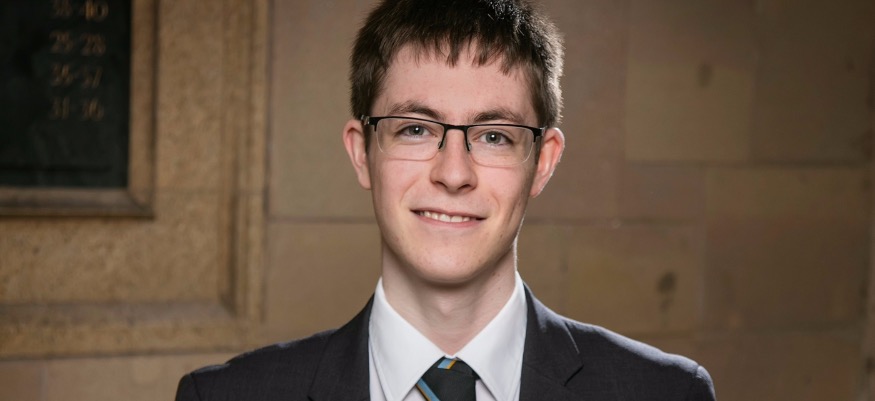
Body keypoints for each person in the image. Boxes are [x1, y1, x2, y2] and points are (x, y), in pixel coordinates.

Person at [175, 0, 717, 400]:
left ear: (543, 162)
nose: (453, 174)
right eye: (415, 129)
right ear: (362, 153)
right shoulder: (224, 397)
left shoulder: (666, 393)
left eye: (494, 136)